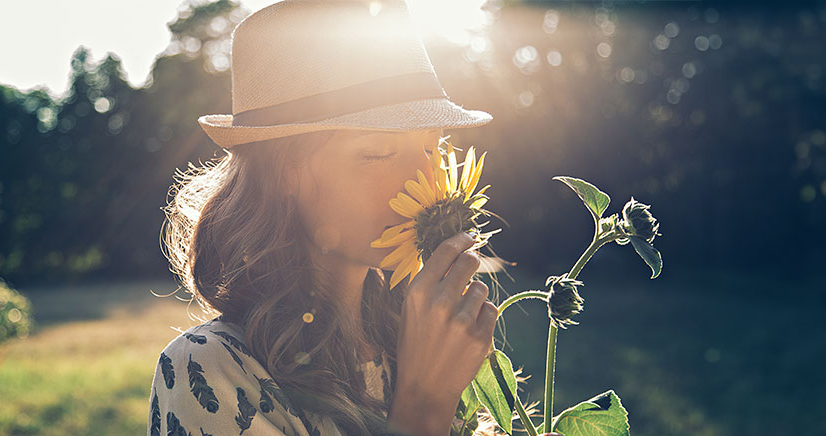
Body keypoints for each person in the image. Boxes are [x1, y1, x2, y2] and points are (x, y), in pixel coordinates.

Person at [149, 1, 556, 435]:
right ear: (284, 172)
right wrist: (424, 405)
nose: (426, 179)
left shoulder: (423, 336)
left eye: (432, 148)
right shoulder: (211, 371)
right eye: (378, 152)